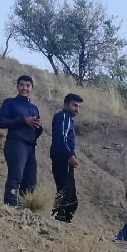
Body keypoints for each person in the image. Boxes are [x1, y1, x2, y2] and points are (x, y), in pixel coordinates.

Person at [0, 75, 43, 207]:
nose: (24, 88)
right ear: (17, 87)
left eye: (28, 86)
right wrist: (23, 121)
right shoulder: (9, 103)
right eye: (22, 85)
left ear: (32, 88)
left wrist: (38, 126)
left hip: (30, 146)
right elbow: (1, 122)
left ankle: (24, 209)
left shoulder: (34, 108)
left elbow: (37, 131)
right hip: (15, 143)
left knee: (30, 180)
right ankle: (10, 206)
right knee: (16, 175)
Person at [50, 94, 83, 222]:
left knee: (69, 196)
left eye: (79, 106)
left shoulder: (67, 119)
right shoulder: (63, 117)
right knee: (66, 194)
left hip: (64, 159)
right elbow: (61, 139)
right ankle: (57, 220)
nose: (77, 109)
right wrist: (69, 155)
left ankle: (60, 220)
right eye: (74, 105)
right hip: (62, 159)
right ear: (66, 104)